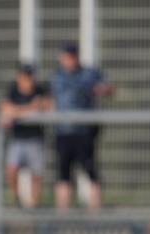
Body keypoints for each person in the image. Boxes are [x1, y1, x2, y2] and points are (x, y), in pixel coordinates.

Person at [50, 42, 114, 211]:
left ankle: (95, 209)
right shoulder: (57, 76)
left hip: (84, 132)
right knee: (63, 173)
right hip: (63, 131)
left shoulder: (89, 73)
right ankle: (62, 212)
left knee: (90, 169)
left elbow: (108, 87)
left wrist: (101, 89)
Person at [0, 64, 51, 208]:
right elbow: (5, 109)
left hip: (35, 139)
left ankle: (34, 204)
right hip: (18, 139)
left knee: (36, 174)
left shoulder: (40, 89)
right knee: (11, 170)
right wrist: (29, 108)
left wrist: (17, 112)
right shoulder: (12, 90)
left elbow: (47, 105)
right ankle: (16, 200)